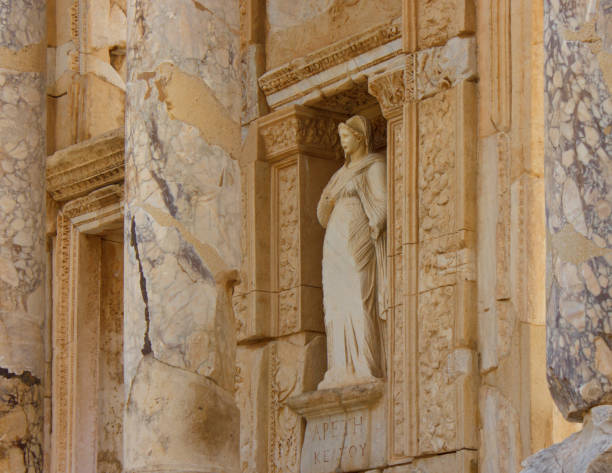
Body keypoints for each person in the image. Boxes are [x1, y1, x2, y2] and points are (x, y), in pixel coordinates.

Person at [317, 115, 387, 390]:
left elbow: (382, 203)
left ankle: (364, 363)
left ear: (359, 138)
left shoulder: (374, 166)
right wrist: (327, 199)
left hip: (357, 237)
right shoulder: (339, 174)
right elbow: (322, 215)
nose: (342, 142)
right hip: (334, 238)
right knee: (335, 299)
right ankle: (339, 366)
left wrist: (375, 225)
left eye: (346, 136)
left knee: (359, 295)